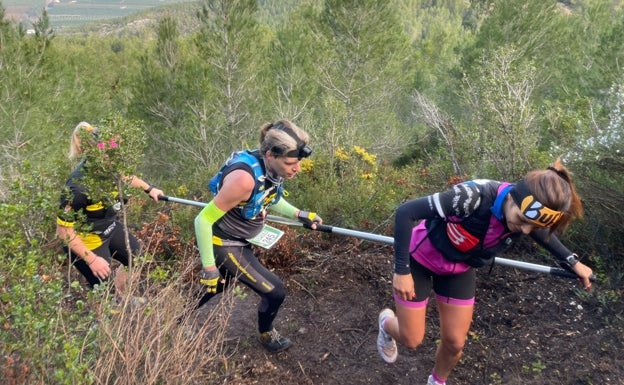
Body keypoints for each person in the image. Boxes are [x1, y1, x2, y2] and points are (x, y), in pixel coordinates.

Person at [376, 158, 594, 385]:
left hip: (459, 268)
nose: (525, 230)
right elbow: (406, 212)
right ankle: (386, 324)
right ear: (511, 197)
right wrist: (401, 270)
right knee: (411, 339)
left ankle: (437, 381)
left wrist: (572, 262)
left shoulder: (525, 213)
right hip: (421, 258)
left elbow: (535, 228)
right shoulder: (471, 198)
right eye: (521, 220)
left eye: (534, 226)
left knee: (455, 343)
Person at [194, 119, 322, 353]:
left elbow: (268, 197)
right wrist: (209, 267)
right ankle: (266, 334)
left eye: (298, 162)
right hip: (226, 243)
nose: (297, 169)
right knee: (275, 292)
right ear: (270, 154)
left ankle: (174, 314)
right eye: (291, 163)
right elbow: (202, 220)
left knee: (218, 286)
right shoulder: (243, 179)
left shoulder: (269, 169)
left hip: (241, 239)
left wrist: (298, 213)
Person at [56, 121, 164, 289]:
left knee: (139, 260)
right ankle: (109, 305)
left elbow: (125, 175)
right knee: (104, 292)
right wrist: (92, 260)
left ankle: (121, 296)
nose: (115, 158)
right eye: (109, 153)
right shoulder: (77, 188)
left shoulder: (109, 166)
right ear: (94, 153)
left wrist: (149, 189)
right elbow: (64, 233)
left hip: (110, 226)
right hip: (88, 240)